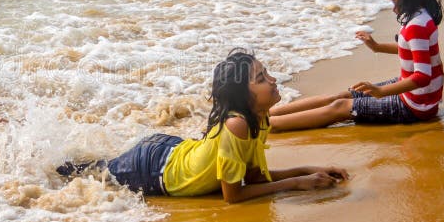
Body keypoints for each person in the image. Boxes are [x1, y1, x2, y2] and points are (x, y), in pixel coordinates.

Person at [56, 49, 349, 203]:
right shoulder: (237, 125)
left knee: (92, 168)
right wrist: (298, 183)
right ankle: (40, 169)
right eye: (261, 79)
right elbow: (233, 196)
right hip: (152, 169)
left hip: (171, 151)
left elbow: (256, 180)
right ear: (243, 96)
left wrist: (309, 170)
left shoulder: (260, 116)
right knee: (78, 174)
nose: (272, 80)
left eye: (267, 73)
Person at [270, 0, 444, 131]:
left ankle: (264, 125)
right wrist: (377, 47)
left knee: (339, 107)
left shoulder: (417, 26)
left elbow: (422, 76)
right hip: (417, 96)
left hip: (415, 107)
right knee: (339, 96)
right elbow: (412, 51)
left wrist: (381, 92)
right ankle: (265, 113)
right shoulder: (420, 17)